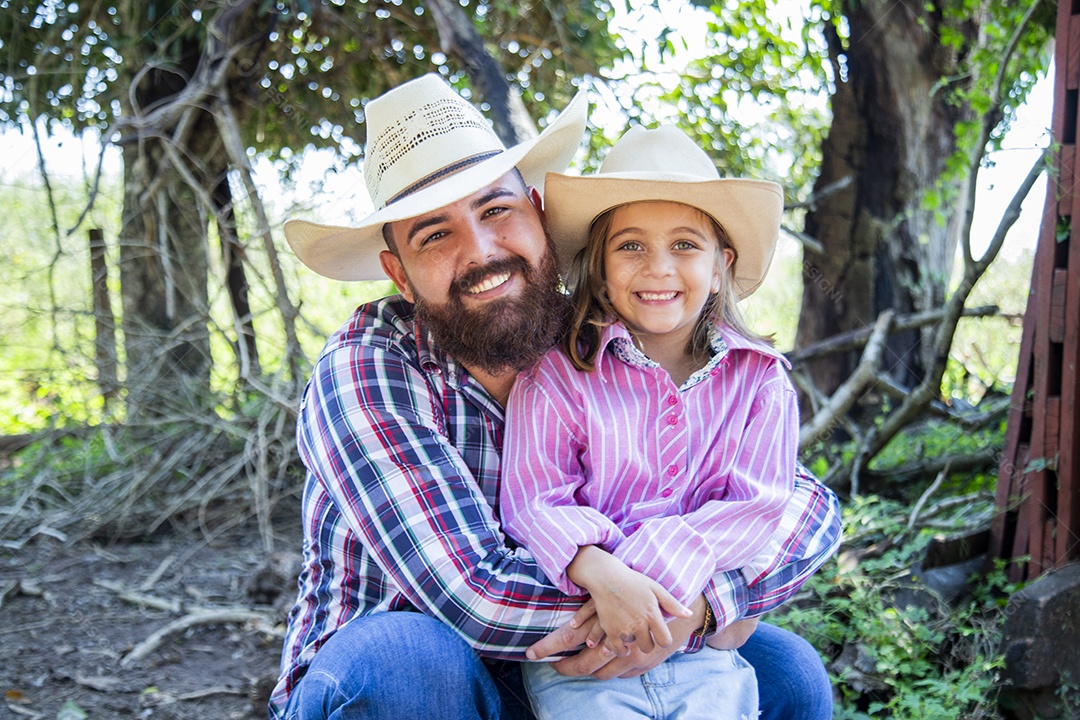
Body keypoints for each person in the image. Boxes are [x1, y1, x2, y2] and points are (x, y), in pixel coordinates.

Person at [271, 73, 842, 720]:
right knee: (399, 663)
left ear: (538, 211)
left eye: (496, 210)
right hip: (430, 677)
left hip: (571, 672)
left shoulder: (606, 334)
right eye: (435, 235)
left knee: (787, 671)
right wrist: (661, 615)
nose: (482, 251)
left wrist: (711, 605)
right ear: (398, 273)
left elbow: (804, 505)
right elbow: (473, 593)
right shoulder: (367, 371)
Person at [499, 124, 815, 719]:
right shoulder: (559, 374)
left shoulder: (761, 382)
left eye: (685, 245)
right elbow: (534, 499)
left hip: (701, 650)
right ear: (599, 264)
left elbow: (759, 505)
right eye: (631, 246)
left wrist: (662, 567)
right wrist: (598, 570)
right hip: (585, 660)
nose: (658, 268)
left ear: (722, 264)